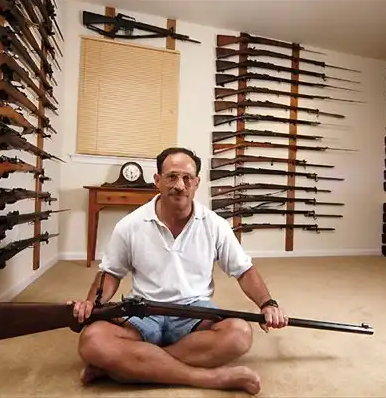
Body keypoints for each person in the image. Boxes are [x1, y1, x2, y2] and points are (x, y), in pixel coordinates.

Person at [70, 147, 288, 395]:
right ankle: (209, 378)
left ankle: (127, 367)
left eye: (187, 178)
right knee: (92, 340)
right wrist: (91, 303)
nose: (179, 185)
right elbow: (110, 273)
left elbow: (244, 270)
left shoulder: (215, 225)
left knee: (239, 334)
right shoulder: (129, 225)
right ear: (157, 180)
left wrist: (267, 303)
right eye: (172, 177)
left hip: (195, 312)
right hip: (143, 310)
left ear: (197, 183)